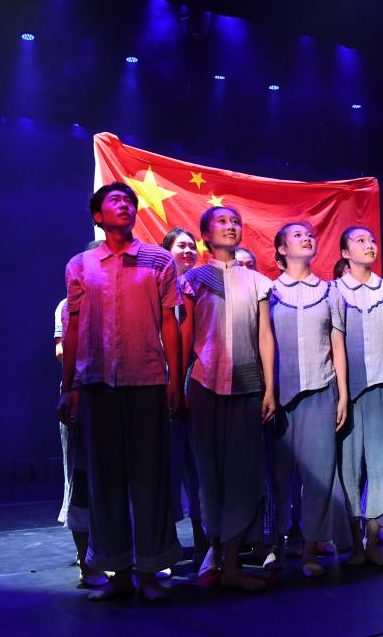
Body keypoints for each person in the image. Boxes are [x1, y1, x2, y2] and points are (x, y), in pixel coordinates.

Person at [57, 182, 184, 602]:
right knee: (105, 482)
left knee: (150, 479)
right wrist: (69, 388)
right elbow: (74, 327)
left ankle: (150, 570)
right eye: (115, 200)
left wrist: (173, 380)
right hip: (97, 383)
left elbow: (170, 323)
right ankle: (119, 571)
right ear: (98, 216)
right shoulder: (80, 265)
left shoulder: (158, 260)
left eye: (130, 200)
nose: (125, 205)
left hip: (146, 380)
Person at [180, 206, 275, 592]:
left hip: (247, 385)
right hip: (204, 383)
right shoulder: (193, 279)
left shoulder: (257, 281)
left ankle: (233, 561)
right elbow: (186, 335)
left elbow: (265, 336)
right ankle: (212, 554)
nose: (230, 226)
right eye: (221, 221)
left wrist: (270, 388)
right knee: (208, 473)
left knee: (241, 474)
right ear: (205, 234)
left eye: (235, 221)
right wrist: (178, 385)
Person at [266, 222, 350, 576]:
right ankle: (275, 543)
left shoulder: (330, 292)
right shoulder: (269, 291)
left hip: (321, 387)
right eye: (297, 235)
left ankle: (311, 550)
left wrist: (343, 395)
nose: (306, 238)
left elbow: (337, 345)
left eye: (309, 234)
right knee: (278, 476)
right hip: (280, 395)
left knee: (318, 475)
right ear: (282, 249)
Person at [334, 226, 383, 567]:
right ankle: (353, 544)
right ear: (345, 253)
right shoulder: (334, 291)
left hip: (382, 382)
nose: (369, 245)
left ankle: (373, 540)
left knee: (381, 466)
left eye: (372, 240)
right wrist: (340, 394)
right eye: (360, 241)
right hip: (347, 390)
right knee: (348, 467)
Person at [54, 242, 105, 589]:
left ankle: (116, 555)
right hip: (82, 395)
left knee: (118, 482)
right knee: (83, 480)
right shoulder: (68, 304)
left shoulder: (124, 300)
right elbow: (62, 350)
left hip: (118, 395)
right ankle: (87, 562)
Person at [159, 228, 208, 570]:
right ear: (167, 252)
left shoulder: (202, 289)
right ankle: (163, 546)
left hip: (198, 385)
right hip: (165, 386)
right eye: (181, 246)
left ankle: (205, 544)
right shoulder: (156, 288)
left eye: (192, 246)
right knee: (166, 470)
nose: (188, 251)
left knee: (200, 472)